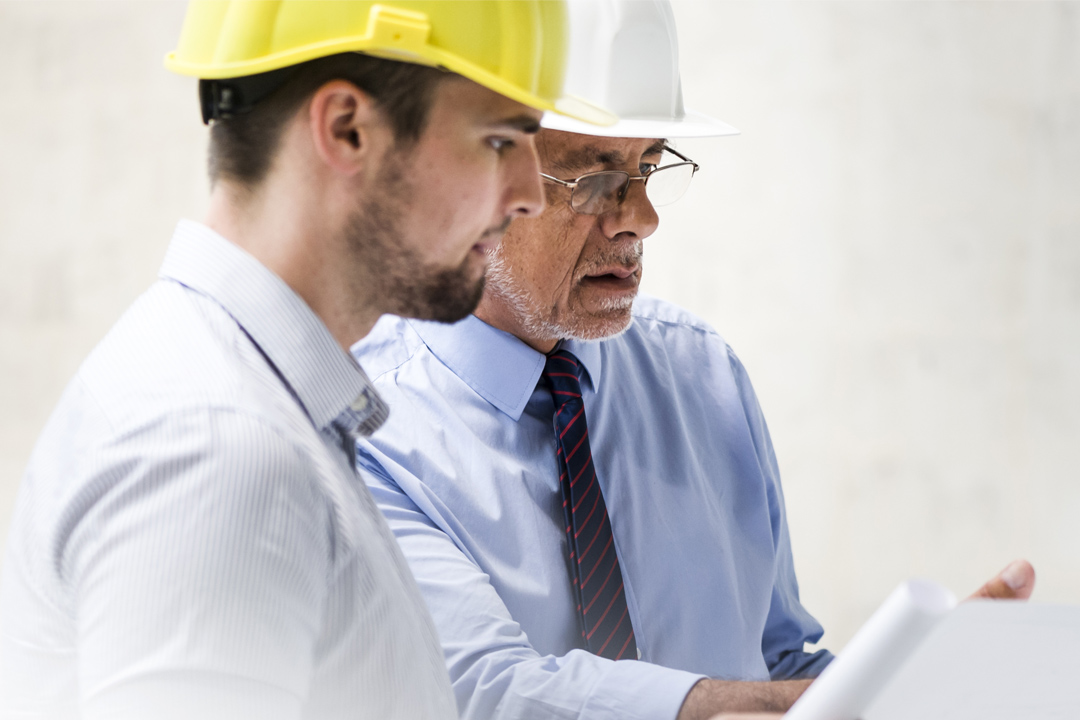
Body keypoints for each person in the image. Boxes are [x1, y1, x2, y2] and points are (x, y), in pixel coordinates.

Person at [350, 2, 1037, 719]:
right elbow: (485, 689)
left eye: (649, 167)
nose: (642, 217)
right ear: (472, 173)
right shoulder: (369, 434)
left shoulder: (703, 377)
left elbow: (779, 661)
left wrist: (908, 691)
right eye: (594, 181)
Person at [0, 2, 614, 718]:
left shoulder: (251, 404)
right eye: (501, 141)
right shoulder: (219, 450)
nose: (530, 197)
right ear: (347, 129)